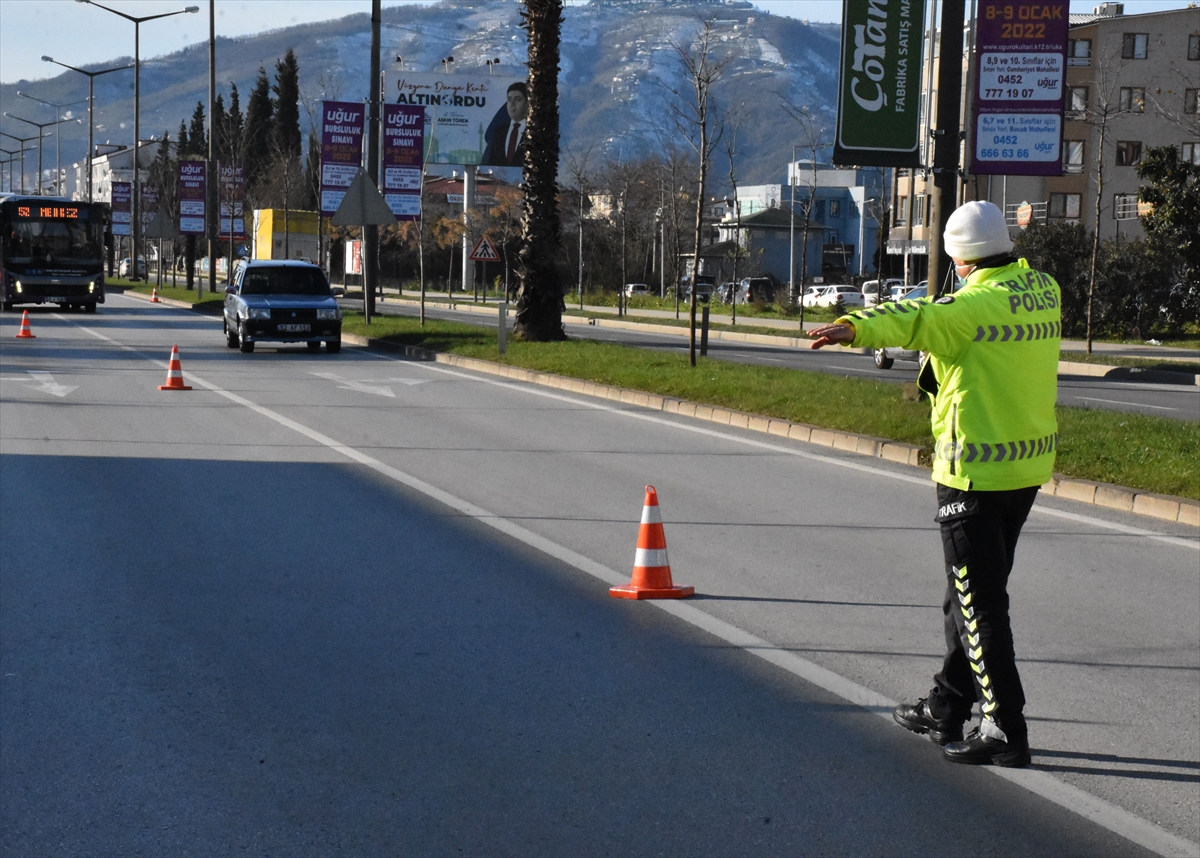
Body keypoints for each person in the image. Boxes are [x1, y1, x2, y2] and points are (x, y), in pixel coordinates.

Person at [808, 201, 1062, 768]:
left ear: (954, 256)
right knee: (968, 598)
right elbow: (931, 310)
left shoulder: (965, 309)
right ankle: (947, 705)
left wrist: (854, 326)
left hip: (973, 472)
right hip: (1024, 469)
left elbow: (917, 319)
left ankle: (1004, 727)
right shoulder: (1042, 289)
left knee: (982, 604)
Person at [482, 82, 528, 167]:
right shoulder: (499, 131)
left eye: (517, 99)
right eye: (509, 99)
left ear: (527, 103)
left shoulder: (535, 132)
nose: (512, 104)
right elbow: (490, 162)